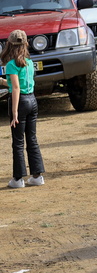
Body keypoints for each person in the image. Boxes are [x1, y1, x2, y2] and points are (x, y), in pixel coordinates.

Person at [2, 30, 45, 188]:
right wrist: (3, 81)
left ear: (9, 45)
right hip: (32, 101)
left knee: (18, 142)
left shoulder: (11, 64)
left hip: (20, 103)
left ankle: (18, 179)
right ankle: (37, 176)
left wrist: (14, 113)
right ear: (26, 43)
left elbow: (16, 88)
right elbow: (21, 83)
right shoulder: (28, 62)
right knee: (32, 140)